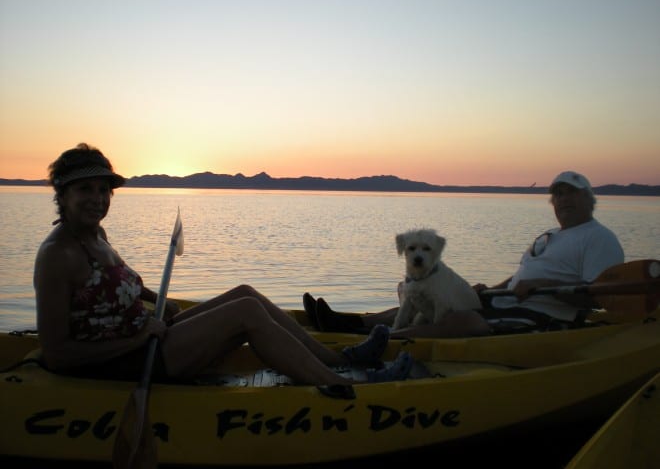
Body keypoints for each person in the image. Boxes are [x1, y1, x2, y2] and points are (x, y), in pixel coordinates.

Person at [34, 143, 413, 386]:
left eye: (104, 189)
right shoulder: (57, 255)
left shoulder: (94, 236)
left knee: (246, 293)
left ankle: (339, 360)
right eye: (86, 189)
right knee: (245, 312)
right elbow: (57, 354)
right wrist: (139, 336)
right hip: (128, 360)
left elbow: (118, 286)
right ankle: (339, 383)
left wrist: (158, 301)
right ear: (62, 194)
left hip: (147, 336)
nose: (98, 199)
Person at [304, 171, 624, 336]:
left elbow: (597, 298)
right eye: (559, 195)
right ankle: (352, 324)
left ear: (589, 199)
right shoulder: (551, 236)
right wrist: (491, 288)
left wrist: (538, 288)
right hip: (509, 300)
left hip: (546, 315)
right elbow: (521, 276)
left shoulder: (599, 239)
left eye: (572, 194)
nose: (564, 200)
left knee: (464, 319)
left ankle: (387, 339)